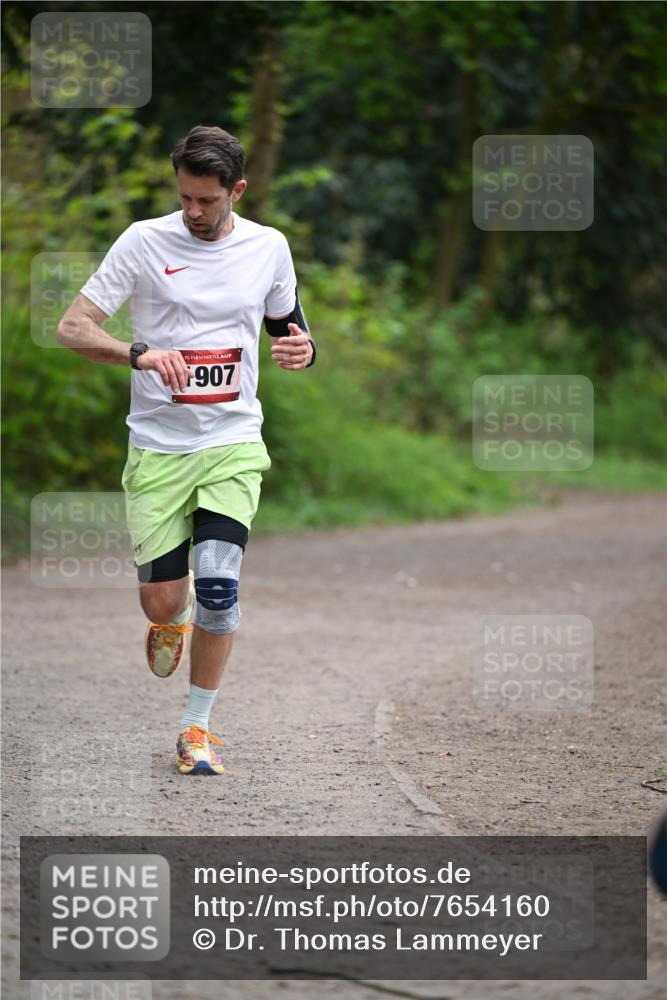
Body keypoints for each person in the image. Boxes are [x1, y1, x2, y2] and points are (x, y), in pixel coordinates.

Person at [56, 125, 316, 775]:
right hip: (158, 446)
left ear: (237, 190)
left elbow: (289, 324)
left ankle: (195, 728)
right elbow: (72, 327)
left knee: (221, 588)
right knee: (164, 601)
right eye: (184, 198)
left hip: (231, 440)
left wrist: (302, 349)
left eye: (206, 200)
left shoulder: (268, 247)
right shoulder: (143, 241)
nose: (193, 212)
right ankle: (169, 621)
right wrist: (135, 353)